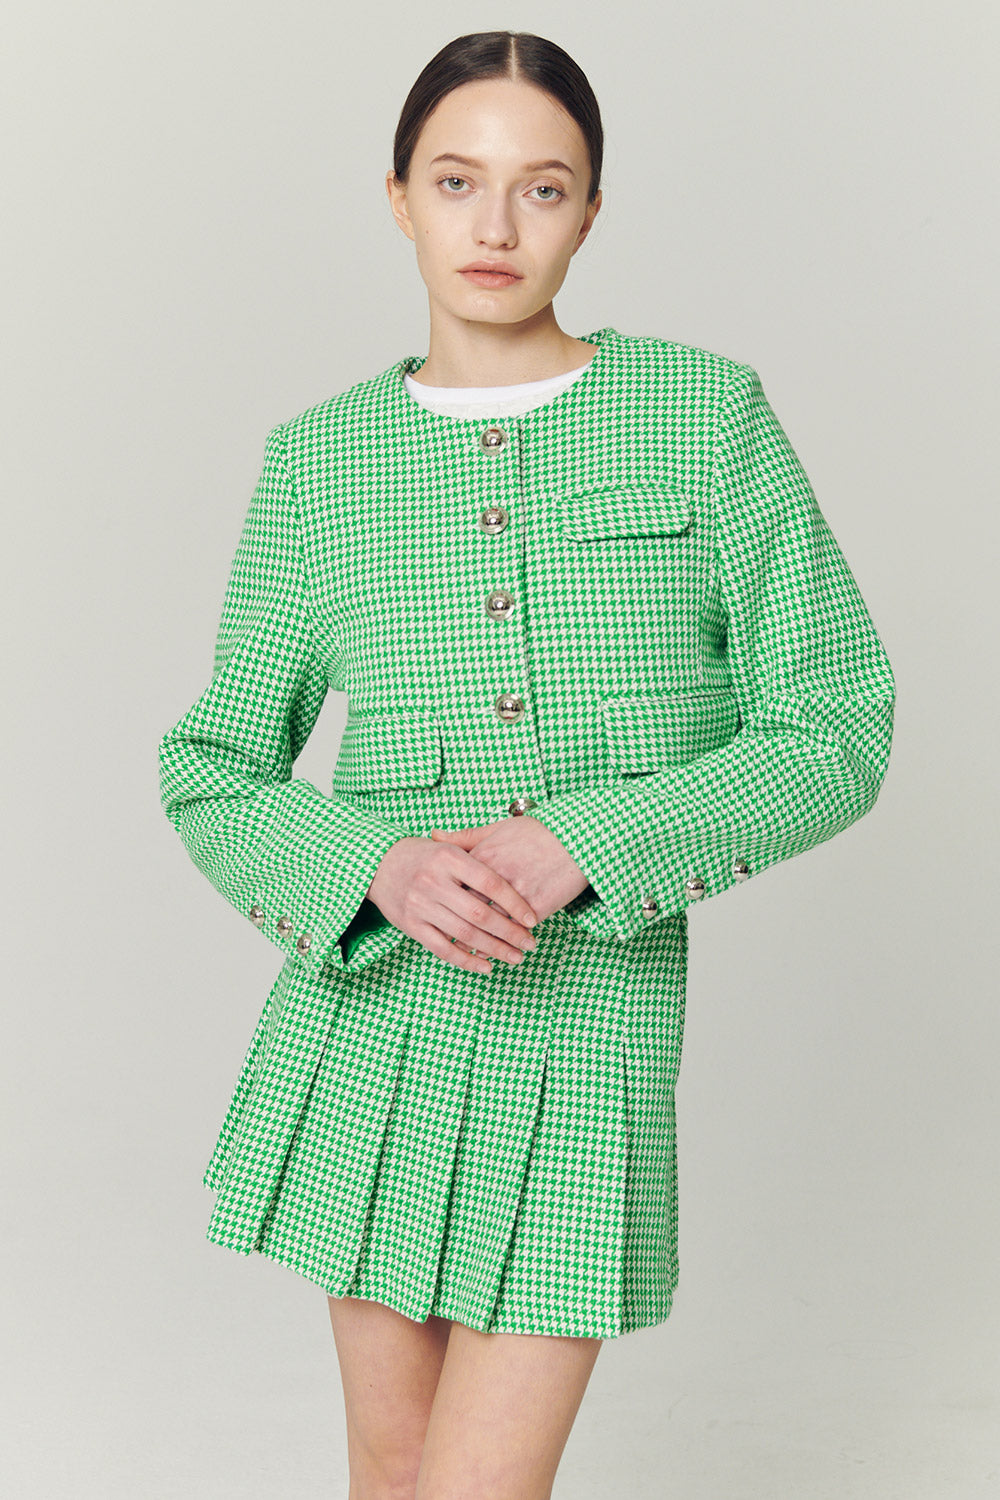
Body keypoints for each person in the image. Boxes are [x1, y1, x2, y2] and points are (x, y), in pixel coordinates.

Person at [157, 29, 896, 1500]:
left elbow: (838, 723)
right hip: (368, 1028)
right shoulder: (318, 461)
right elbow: (213, 766)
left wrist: (595, 842)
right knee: (392, 1470)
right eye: (456, 181)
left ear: (591, 212)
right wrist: (370, 865)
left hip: (589, 1031)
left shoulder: (705, 416)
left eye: (542, 188)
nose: (495, 225)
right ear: (398, 199)